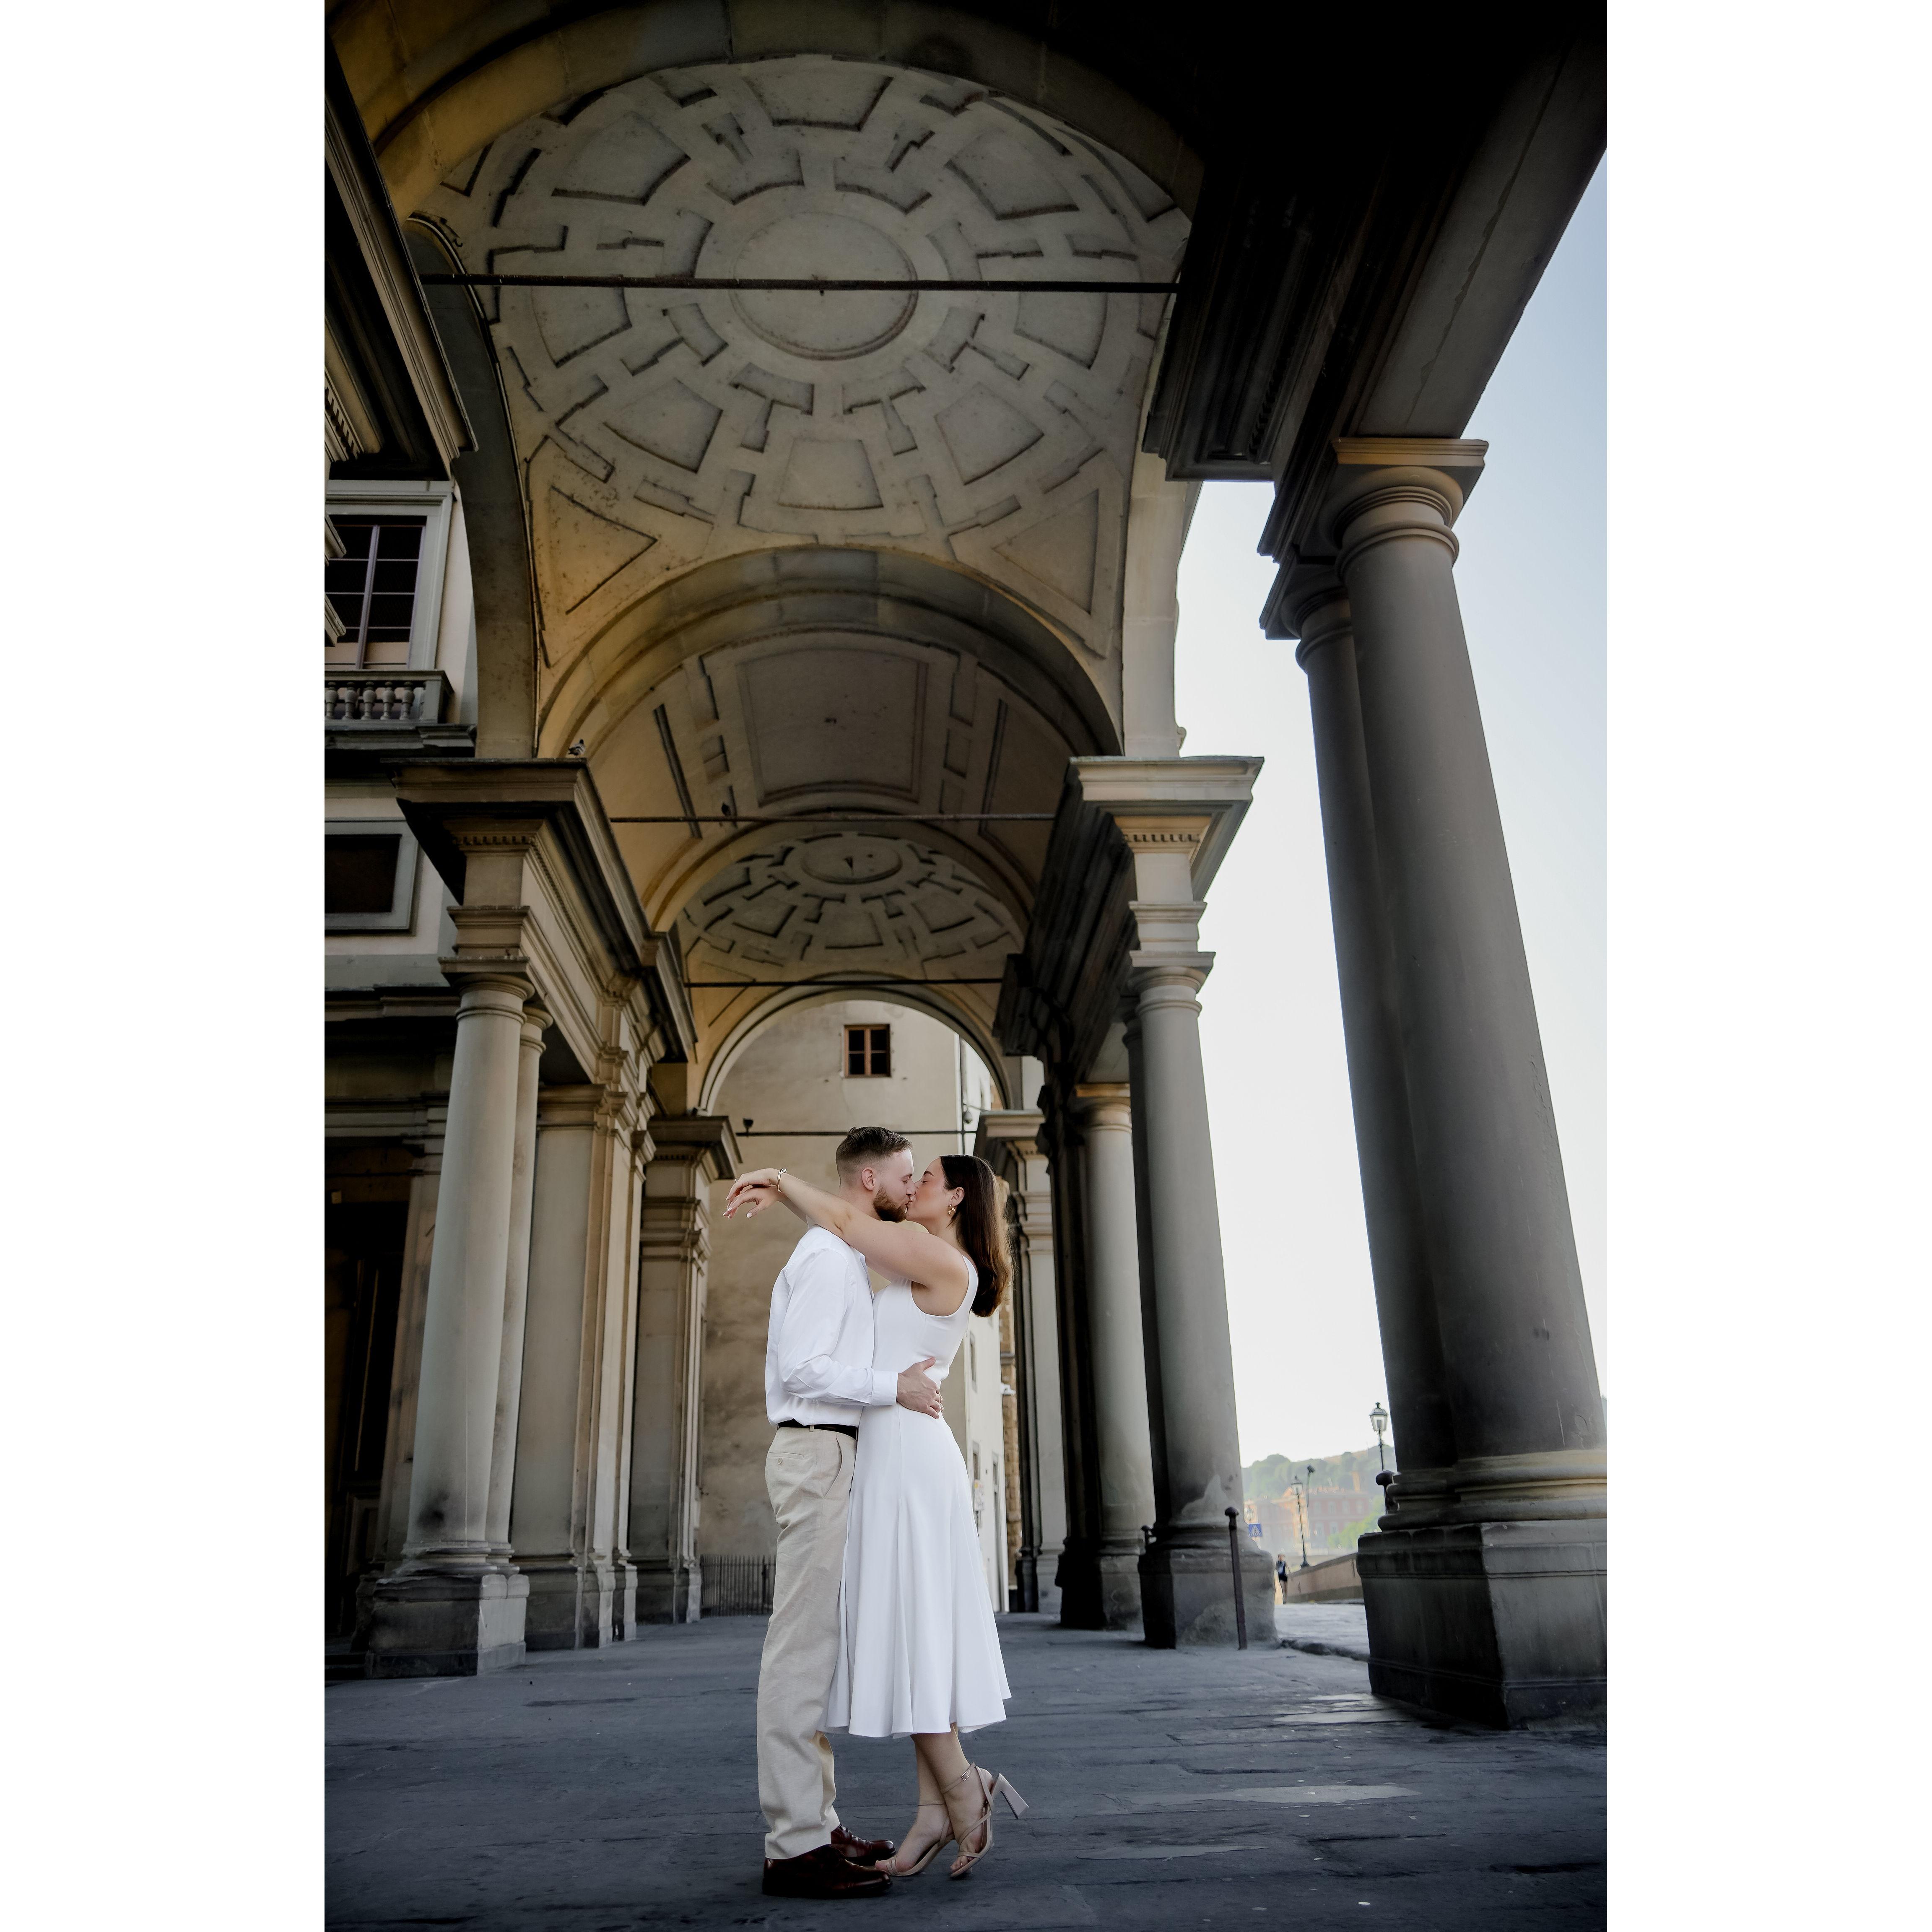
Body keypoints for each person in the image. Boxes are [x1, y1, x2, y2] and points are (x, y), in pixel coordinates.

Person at [727, 1148, 1028, 1881]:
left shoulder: (940, 1259)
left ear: (955, 1199)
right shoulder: (917, 1261)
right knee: (912, 1628)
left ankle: (964, 1787)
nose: (915, 1184)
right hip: (889, 1452)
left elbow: (843, 1220)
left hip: (908, 1461)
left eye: (927, 1179)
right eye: (908, 1174)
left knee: (909, 1627)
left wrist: (780, 1181)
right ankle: (935, 1809)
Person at [750, 1126, 944, 1901]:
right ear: (869, 1180)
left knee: (815, 1650)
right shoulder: (829, 1260)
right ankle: (796, 1847)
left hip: (828, 1454)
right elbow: (804, 1369)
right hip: (816, 1451)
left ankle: (817, 1826)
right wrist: (893, 1387)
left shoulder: (842, 1253)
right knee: (799, 1653)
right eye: (904, 1175)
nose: (910, 1187)